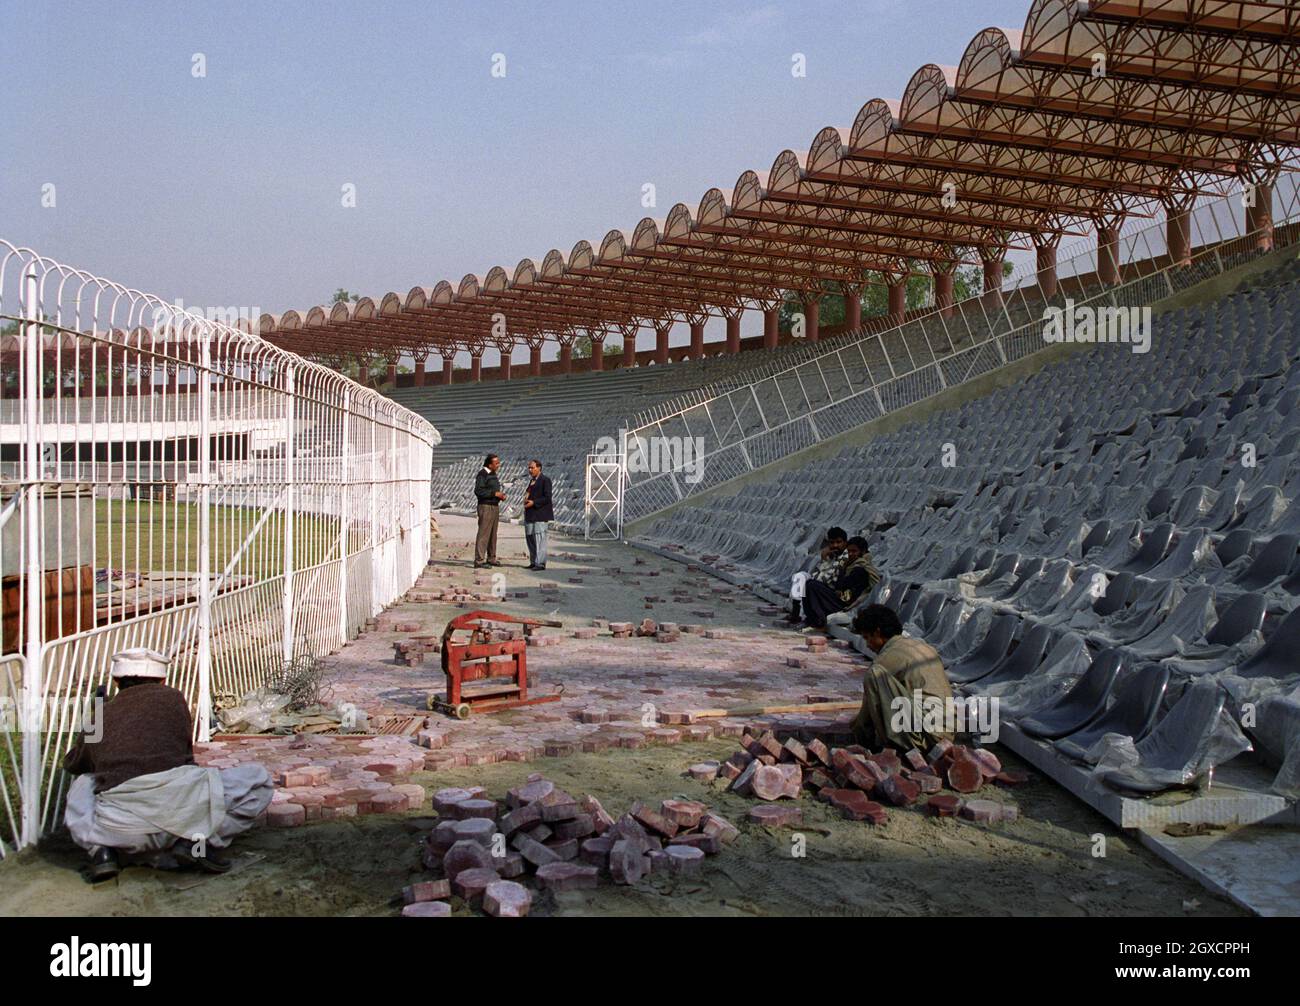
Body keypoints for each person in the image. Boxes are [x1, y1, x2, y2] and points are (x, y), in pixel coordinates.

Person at [63, 648, 273, 881]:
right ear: (163, 679)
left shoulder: (100, 714)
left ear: (115, 681)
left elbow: (75, 764)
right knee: (259, 780)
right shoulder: (174, 699)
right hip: (185, 816)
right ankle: (197, 844)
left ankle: (101, 852)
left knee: (83, 783)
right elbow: (185, 755)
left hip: (122, 830)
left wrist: (97, 718)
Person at [849, 604, 955, 752]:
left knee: (874, 675)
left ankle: (899, 748)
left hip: (926, 736)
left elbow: (866, 717)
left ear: (877, 632)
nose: (867, 645)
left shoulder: (886, 659)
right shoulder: (923, 647)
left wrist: (858, 737)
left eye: (867, 638)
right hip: (948, 731)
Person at [801, 535, 880, 628]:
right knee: (810, 583)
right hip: (842, 598)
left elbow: (842, 585)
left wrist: (841, 569)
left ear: (862, 552)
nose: (850, 554)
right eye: (849, 551)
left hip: (846, 603)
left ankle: (816, 619)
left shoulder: (860, 568)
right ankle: (814, 618)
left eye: (854, 551)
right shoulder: (852, 565)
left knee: (811, 585)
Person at [786, 526, 848, 624]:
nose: (835, 545)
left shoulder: (845, 557)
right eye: (832, 542)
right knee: (800, 576)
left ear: (845, 543)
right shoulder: (832, 555)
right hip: (823, 585)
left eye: (838, 542)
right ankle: (795, 613)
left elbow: (825, 579)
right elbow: (817, 573)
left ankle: (815, 618)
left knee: (810, 584)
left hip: (834, 592)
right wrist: (824, 559)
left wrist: (825, 560)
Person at [473, 453, 506, 568]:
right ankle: (479, 560)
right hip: (485, 507)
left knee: (493, 534)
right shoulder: (482, 474)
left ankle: (491, 558)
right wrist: (494, 493)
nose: (498, 465)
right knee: (484, 533)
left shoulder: (493, 474)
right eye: (496, 463)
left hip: (494, 506)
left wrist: (499, 496)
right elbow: (478, 491)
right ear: (489, 464)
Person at [523, 458, 554, 570]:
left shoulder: (545, 480)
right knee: (530, 538)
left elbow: (547, 498)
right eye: (529, 468)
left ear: (539, 468)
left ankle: (540, 563)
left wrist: (534, 502)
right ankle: (533, 561)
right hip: (530, 514)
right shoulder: (531, 481)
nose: (530, 470)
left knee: (540, 539)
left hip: (540, 514)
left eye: (532, 467)